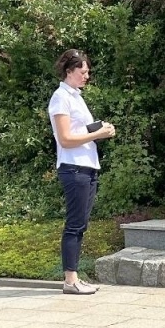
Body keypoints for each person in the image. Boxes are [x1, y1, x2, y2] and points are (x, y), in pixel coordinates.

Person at [48, 49, 113, 295]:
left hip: (87, 166)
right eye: (83, 72)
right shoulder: (60, 98)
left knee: (81, 224)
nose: (87, 76)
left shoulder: (75, 96)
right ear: (69, 71)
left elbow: (81, 131)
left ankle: (73, 278)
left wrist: (99, 129)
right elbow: (65, 139)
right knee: (74, 224)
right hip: (73, 168)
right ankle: (70, 280)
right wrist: (97, 134)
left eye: (88, 72)